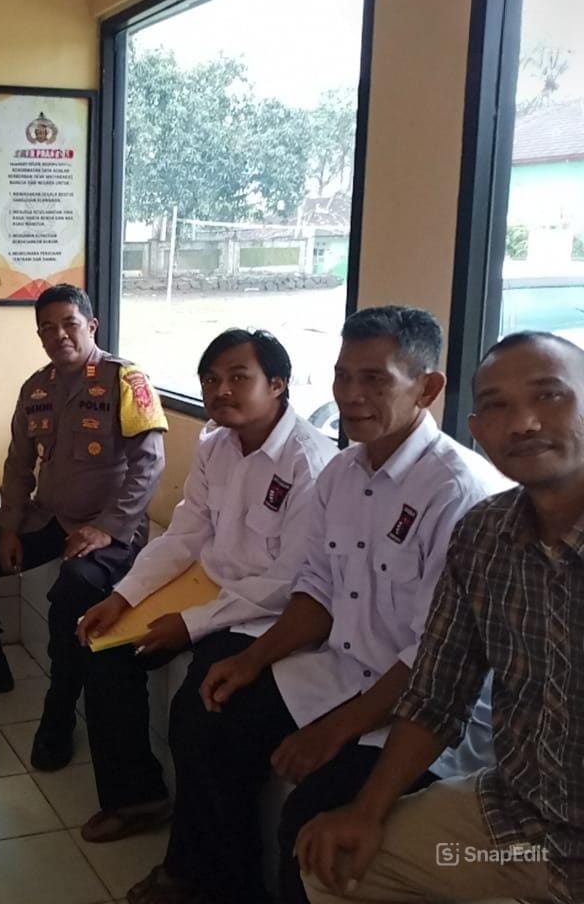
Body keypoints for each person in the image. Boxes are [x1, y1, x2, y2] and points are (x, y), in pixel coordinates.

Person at [127, 306, 507, 904]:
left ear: (427, 387)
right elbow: (319, 591)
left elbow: (434, 659)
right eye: (342, 376)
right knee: (207, 716)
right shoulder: (344, 472)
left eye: (374, 379)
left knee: (311, 816)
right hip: (340, 669)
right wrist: (253, 660)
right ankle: (222, 885)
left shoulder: (457, 493)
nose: (351, 395)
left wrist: (335, 729)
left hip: (421, 710)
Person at [297, 331, 584, 904]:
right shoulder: (484, 536)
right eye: (497, 406)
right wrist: (367, 811)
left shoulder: (453, 486)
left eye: (549, 395)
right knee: (337, 863)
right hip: (515, 826)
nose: (524, 423)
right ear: (477, 427)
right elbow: (437, 690)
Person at [74, 329, 338, 844]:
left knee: (199, 708)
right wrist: (123, 596)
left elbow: (289, 581)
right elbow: (185, 534)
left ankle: (196, 864)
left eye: (239, 377)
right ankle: (136, 796)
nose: (221, 391)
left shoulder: (310, 463)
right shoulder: (216, 445)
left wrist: (191, 625)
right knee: (102, 647)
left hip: (265, 614)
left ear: (278, 384)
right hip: (208, 587)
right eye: (210, 380)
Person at [0, 284, 167, 771]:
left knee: (74, 587)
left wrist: (108, 528)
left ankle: (59, 713)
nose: (58, 335)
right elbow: (18, 464)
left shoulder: (126, 380)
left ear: (92, 326)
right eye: (47, 327)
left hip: (110, 527)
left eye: (69, 323)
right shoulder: (36, 388)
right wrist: (9, 527)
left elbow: (149, 464)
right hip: (50, 516)